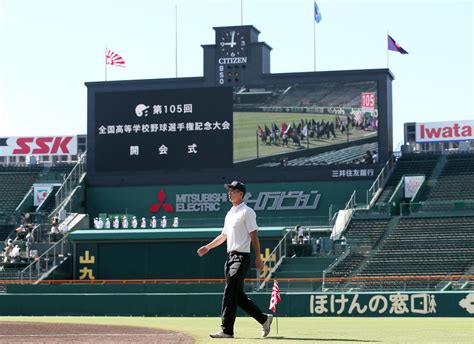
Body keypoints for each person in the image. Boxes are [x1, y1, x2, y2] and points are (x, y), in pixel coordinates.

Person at [197, 180, 273, 339]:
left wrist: (258, 258)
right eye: (229, 190)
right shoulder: (230, 213)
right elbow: (223, 236)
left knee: (229, 292)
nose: (229, 193)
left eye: (233, 190)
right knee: (236, 295)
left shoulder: (247, 211)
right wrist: (208, 247)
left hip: (241, 257)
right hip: (230, 257)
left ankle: (226, 330)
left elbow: (254, 235)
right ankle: (264, 319)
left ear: (241, 194)